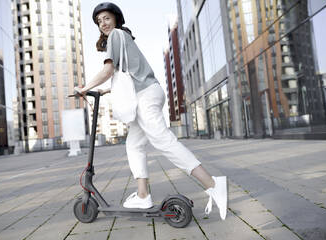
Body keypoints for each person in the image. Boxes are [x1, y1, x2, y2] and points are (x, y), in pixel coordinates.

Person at [74, 2, 228, 220]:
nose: (103, 24)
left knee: (162, 140)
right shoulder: (122, 39)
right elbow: (129, 75)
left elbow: (108, 70)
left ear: (116, 18)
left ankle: (213, 184)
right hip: (146, 92)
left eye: (106, 18)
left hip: (144, 96)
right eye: (99, 21)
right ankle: (143, 194)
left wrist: (84, 87)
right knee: (134, 144)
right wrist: (105, 90)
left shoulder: (116, 36)